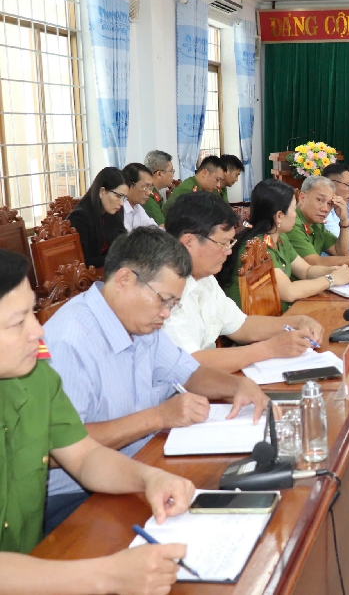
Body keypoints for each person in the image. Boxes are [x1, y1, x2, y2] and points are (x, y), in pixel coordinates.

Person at [43, 227, 269, 530]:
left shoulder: (141, 323)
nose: (166, 313)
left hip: (143, 462)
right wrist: (158, 417)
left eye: (173, 305)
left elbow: (189, 372)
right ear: (124, 279)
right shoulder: (68, 342)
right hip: (76, 496)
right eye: (164, 300)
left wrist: (238, 386)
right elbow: (60, 449)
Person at [0, 249, 197, 593]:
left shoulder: (35, 376)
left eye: (32, 312)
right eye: (18, 323)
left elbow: (84, 456)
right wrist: (107, 575)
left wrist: (148, 478)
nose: (38, 331)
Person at [162, 191, 326, 372]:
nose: (229, 251)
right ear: (189, 242)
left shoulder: (205, 279)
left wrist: (300, 322)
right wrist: (269, 349)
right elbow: (190, 363)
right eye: (223, 243)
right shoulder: (163, 291)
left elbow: (241, 325)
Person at [220, 180, 349, 312]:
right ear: (279, 216)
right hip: (260, 322)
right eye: (293, 209)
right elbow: (289, 292)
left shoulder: (280, 237)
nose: (295, 214)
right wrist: (332, 279)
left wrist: (334, 270)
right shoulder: (257, 246)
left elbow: (306, 271)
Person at [287, 175, 349, 267]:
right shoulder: (292, 223)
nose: (325, 209)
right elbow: (315, 263)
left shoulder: (316, 223)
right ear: (302, 198)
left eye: (329, 203)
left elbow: (341, 252)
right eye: (320, 200)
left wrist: (344, 220)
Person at [68, 167, 128, 268]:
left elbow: (122, 243)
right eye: (118, 196)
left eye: (124, 198)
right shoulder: (80, 218)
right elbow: (83, 262)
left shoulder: (114, 211)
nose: (122, 203)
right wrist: (117, 259)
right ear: (102, 192)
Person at [121, 163, 158, 232]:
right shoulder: (118, 208)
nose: (148, 192)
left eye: (150, 187)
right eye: (145, 187)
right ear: (129, 184)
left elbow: (154, 229)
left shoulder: (138, 208)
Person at [142, 149, 175, 225]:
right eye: (171, 171)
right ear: (159, 174)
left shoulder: (154, 194)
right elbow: (161, 228)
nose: (173, 175)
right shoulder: (148, 198)